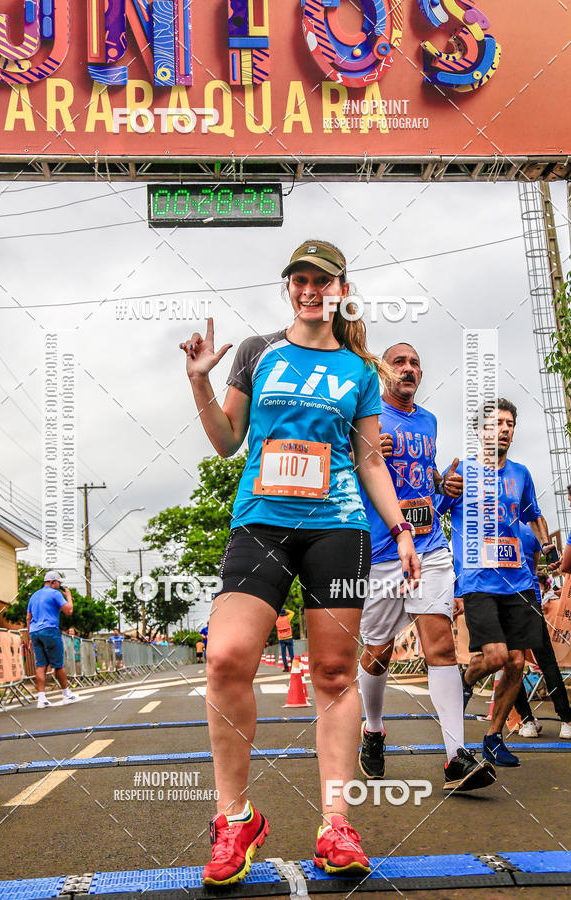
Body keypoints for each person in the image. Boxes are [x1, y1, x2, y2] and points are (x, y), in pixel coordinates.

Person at [180, 239, 420, 886]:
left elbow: (369, 459)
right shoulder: (257, 352)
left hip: (338, 528)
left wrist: (400, 529)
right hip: (261, 522)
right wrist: (200, 381)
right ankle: (236, 819)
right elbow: (227, 441)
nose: (311, 290)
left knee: (336, 673)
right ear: (289, 286)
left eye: (323, 280)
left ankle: (336, 823)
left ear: (342, 290)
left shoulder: (360, 370)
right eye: (300, 279)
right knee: (226, 657)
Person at [357, 343, 495, 793]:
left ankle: (456, 756)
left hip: (430, 545)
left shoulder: (429, 421)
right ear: (384, 371)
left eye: (415, 363)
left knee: (441, 646)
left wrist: (445, 486)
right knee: (377, 652)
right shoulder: (366, 415)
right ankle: (373, 729)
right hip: (382, 552)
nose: (409, 369)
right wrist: (366, 452)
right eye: (399, 362)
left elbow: (426, 478)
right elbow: (346, 472)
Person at [440, 399, 556, 767]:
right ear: (480, 431)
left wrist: (548, 545)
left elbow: (534, 515)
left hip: (518, 581)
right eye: (496, 423)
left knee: (517, 662)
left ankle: (493, 738)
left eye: (509, 424)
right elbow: (434, 512)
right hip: (478, 581)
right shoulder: (462, 472)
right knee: (496, 656)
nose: (504, 429)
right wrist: (442, 489)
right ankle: (465, 680)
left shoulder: (521, 474)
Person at [512, 529, 571, 739]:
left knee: (513, 664)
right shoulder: (529, 532)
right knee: (547, 662)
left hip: (506, 600)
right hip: (531, 599)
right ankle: (566, 720)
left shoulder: (492, 528)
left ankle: (527, 720)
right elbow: (535, 567)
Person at [26, 571, 78, 708]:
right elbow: (69, 610)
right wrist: (69, 597)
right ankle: (66, 694)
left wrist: (30, 637)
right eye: (58, 583)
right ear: (52, 582)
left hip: (34, 632)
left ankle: (41, 698)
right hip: (50, 630)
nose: (59, 585)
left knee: (40, 665)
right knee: (58, 664)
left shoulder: (34, 595)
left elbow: (28, 618)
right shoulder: (55, 593)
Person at [276, 607, 295, 672]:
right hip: (289, 638)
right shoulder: (287, 618)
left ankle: (286, 668)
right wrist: (286, 610)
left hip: (281, 639)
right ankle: (293, 667)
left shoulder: (277, 620)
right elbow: (292, 613)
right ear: (284, 613)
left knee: (283, 654)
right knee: (291, 653)